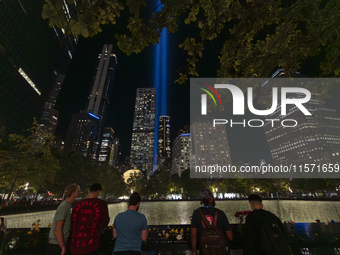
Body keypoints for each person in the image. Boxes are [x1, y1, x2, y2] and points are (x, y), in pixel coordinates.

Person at [70, 183, 110, 255]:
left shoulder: (77, 205)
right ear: (98, 192)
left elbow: (72, 224)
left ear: (89, 191)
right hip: (92, 245)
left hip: (76, 245)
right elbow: (105, 223)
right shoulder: (102, 204)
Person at [191, 190, 233, 255]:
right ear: (211, 199)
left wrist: (194, 251)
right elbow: (230, 236)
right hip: (219, 251)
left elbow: (193, 236)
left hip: (204, 250)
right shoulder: (220, 213)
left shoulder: (196, 213)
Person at [47, 183, 79, 255]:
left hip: (58, 244)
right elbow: (57, 229)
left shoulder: (67, 206)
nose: (79, 192)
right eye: (77, 190)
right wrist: (62, 246)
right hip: (56, 245)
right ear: (73, 193)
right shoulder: (64, 207)